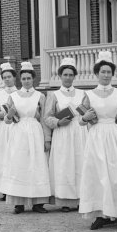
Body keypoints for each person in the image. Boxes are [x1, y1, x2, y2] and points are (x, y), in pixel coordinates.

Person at [78, 51, 117, 229]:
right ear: (96, 74)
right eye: (102, 72)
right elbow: (81, 120)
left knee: (116, 174)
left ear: (112, 74)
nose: (105, 75)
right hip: (96, 136)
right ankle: (101, 214)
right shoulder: (89, 95)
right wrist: (86, 117)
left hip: (114, 135)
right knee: (98, 174)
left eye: (109, 72)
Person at [0, 61, 51, 214]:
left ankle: (38, 203)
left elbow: (44, 119)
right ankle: (19, 203)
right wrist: (8, 115)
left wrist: (47, 139)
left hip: (35, 132)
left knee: (36, 165)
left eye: (29, 78)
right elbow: (7, 120)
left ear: (33, 79)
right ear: (20, 80)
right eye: (24, 79)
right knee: (19, 164)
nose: (26, 81)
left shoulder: (40, 96)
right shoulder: (13, 96)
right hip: (19, 132)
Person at [44, 57, 88, 213]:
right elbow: (47, 118)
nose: (68, 78)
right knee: (64, 164)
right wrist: (57, 122)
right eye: (65, 75)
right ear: (60, 76)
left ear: (74, 76)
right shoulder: (54, 95)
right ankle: (64, 200)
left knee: (80, 162)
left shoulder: (83, 94)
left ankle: (81, 198)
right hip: (63, 132)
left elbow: (87, 114)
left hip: (79, 132)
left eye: (71, 75)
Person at [0, 61, 18, 198]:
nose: (7, 79)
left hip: (15, 126)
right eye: (5, 77)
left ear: (14, 78)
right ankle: (3, 188)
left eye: (9, 77)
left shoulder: (19, 93)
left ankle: (14, 186)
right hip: (2, 128)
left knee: (14, 156)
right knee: (1, 156)